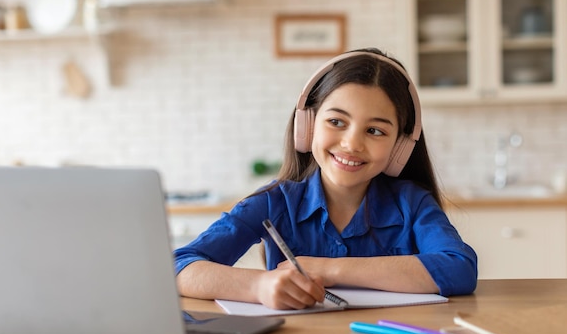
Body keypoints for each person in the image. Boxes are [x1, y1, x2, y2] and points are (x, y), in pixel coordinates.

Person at [174, 47, 478, 310]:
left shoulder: (412, 203)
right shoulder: (274, 202)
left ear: (400, 147)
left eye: (375, 130)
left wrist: (329, 269)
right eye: (336, 122)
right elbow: (178, 266)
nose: (351, 144)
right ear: (307, 126)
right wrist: (259, 287)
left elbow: (460, 268)